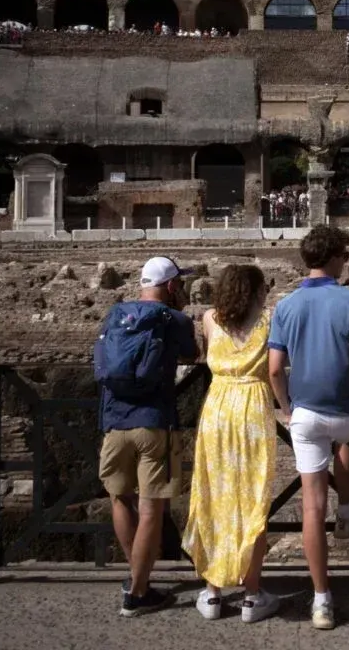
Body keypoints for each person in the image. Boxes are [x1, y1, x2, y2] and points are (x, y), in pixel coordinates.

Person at [268, 226, 349, 630]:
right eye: (345, 255)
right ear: (333, 258)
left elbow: (275, 368)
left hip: (304, 413)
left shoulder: (285, 305)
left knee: (312, 507)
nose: (346, 261)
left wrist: (286, 409)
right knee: (347, 439)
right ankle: (346, 508)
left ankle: (321, 599)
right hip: (345, 410)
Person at [96, 256, 197, 616]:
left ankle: (137, 578)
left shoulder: (115, 314)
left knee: (119, 499)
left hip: (113, 421)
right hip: (154, 422)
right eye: (179, 285)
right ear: (171, 286)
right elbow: (193, 353)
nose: (181, 290)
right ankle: (138, 592)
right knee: (151, 506)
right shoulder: (175, 319)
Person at [182, 265, 279, 622]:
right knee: (253, 499)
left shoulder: (209, 319)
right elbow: (276, 369)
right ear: (254, 291)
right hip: (253, 407)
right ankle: (252, 596)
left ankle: (212, 593)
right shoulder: (270, 320)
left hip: (218, 408)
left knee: (213, 494)